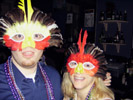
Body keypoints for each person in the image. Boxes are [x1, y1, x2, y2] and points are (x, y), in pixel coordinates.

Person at [0, 0, 63, 100]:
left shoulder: (54, 77)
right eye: (19, 36)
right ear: (6, 40)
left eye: (37, 36)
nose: (28, 44)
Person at [61, 29, 114, 100]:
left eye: (87, 65)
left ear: (98, 72)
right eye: (74, 63)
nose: (78, 71)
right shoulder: (69, 96)